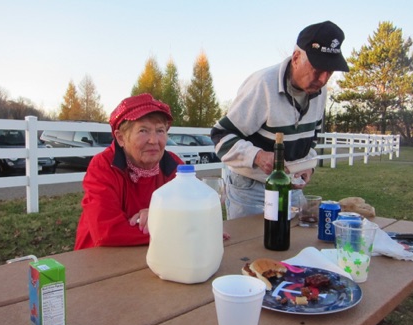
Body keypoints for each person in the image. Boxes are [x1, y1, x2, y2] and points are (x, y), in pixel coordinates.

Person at [211, 21, 349, 219]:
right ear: (296, 57)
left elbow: (311, 139)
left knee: (289, 245)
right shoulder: (263, 84)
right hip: (251, 189)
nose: (323, 79)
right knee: (250, 248)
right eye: (318, 69)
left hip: (291, 188)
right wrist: (258, 156)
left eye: (330, 71)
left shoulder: (320, 91)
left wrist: (307, 165)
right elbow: (221, 136)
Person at [74, 93, 184, 250]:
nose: (153, 140)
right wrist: (171, 225)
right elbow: (107, 231)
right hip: (100, 260)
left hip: (157, 254)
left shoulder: (174, 166)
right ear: (120, 138)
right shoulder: (103, 166)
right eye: (143, 131)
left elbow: (195, 210)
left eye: (160, 131)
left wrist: (165, 219)